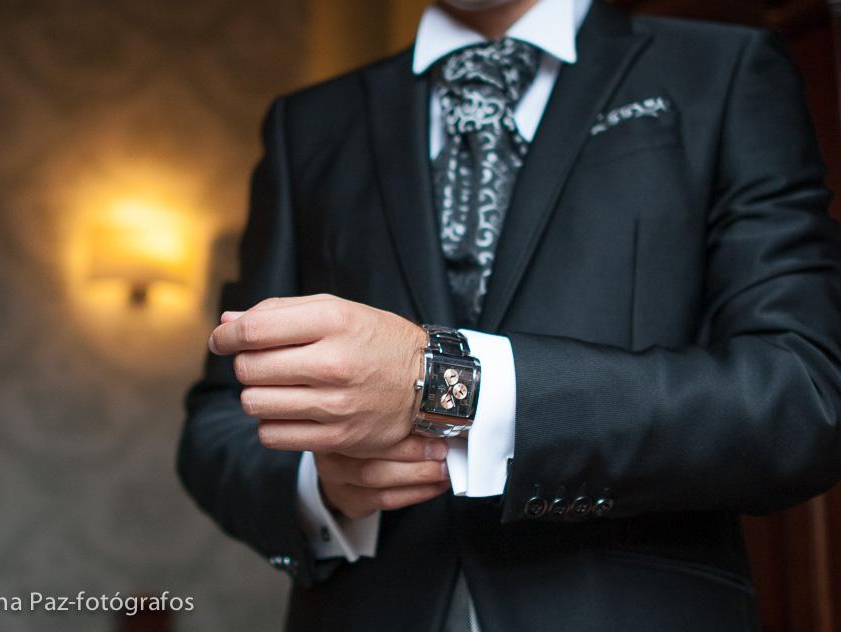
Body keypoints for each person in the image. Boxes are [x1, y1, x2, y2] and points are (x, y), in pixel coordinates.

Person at [177, 0, 841, 629]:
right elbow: (218, 423)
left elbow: (801, 396)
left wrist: (449, 387)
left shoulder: (722, 70)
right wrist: (322, 490)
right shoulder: (309, 124)